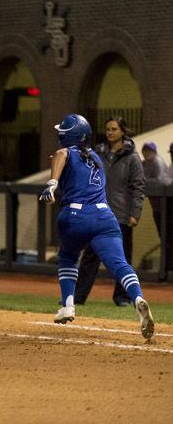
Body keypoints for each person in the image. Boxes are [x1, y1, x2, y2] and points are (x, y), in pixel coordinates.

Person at [39, 114, 154, 338]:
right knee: (120, 264)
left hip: (75, 216)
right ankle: (138, 298)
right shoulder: (96, 158)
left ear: (68, 135)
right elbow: (67, 158)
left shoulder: (67, 152)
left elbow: (63, 154)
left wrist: (52, 184)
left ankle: (68, 305)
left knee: (68, 258)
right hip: (105, 217)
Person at [74, 116, 144, 306]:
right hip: (98, 213)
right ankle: (78, 296)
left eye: (114, 129)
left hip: (121, 215)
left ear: (122, 131)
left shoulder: (133, 158)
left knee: (122, 258)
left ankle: (122, 297)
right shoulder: (97, 153)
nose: (110, 132)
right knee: (90, 256)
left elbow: (138, 187)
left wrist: (135, 213)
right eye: (108, 129)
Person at [141, 141, 170, 238]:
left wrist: (144, 182)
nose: (146, 152)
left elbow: (159, 182)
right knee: (162, 233)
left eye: (149, 150)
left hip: (165, 204)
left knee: (166, 232)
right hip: (156, 206)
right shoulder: (143, 164)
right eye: (145, 150)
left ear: (155, 152)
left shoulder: (158, 162)